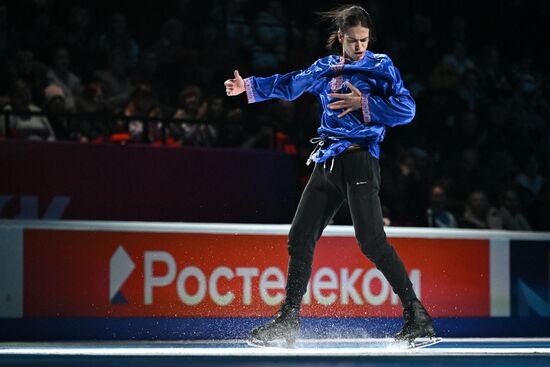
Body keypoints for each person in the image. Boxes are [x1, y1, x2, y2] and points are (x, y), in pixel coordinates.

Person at [224, 5, 434, 346]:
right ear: (340, 38)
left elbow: (407, 109)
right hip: (327, 162)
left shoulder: (381, 67)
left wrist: (364, 103)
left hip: (360, 161)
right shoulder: (326, 67)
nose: (359, 47)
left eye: (364, 40)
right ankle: (288, 321)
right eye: (352, 41)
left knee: (372, 241)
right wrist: (248, 86)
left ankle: (417, 316)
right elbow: (291, 84)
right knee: (300, 237)